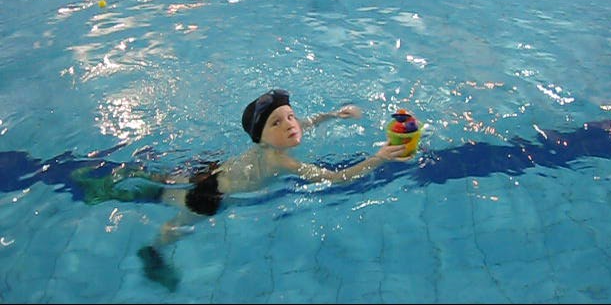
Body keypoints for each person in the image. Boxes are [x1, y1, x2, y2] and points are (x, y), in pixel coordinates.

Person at [73, 89, 411, 290]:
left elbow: (306, 123)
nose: (290, 125)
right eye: (277, 122)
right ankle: (152, 252)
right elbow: (335, 179)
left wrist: (335, 115)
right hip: (212, 196)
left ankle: (105, 186)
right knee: (178, 224)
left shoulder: (276, 141)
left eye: (290, 117)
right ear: (262, 136)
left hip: (213, 170)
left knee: (160, 186)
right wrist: (378, 158)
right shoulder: (279, 159)